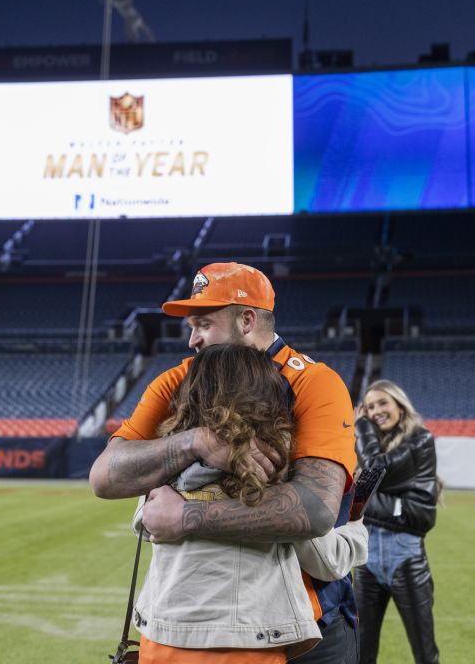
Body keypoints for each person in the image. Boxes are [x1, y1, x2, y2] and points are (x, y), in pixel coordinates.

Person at [91, 262, 361, 663]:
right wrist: (196, 441)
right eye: (190, 328)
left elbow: (316, 509)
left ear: (247, 319)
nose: (192, 341)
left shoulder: (313, 382)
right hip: (210, 628)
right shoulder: (179, 380)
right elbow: (104, 476)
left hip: (314, 624)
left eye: (202, 324)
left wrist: (186, 517)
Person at [352, 380, 442, 664]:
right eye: (370, 407)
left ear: (400, 407)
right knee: (360, 652)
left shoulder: (421, 440)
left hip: (405, 556)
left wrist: (362, 425)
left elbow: (376, 473)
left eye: (382, 403)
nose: (376, 410)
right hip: (367, 557)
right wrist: (395, 506)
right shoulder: (372, 447)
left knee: (424, 653)